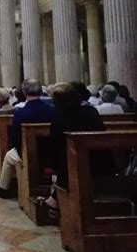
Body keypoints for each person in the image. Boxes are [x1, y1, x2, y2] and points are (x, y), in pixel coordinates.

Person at [45, 82, 107, 216]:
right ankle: (54, 199)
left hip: (72, 167)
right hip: (102, 164)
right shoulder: (91, 111)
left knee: (66, 163)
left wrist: (51, 167)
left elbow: (55, 151)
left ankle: (55, 202)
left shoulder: (58, 120)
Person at [0, 79, 55, 199]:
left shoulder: (21, 113)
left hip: (28, 154)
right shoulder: (52, 110)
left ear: (24, 92)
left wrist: (17, 149)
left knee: (8, 156)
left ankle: (3, 189)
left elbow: (15, 138)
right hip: (51, 153)